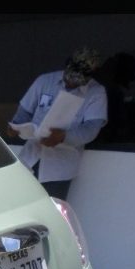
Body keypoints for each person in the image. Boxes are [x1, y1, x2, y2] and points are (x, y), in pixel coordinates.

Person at [8, 48, 108, 201]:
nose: (72, 83)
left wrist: (63, 137)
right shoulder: (44, 81)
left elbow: (91, 129)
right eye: (69, 79)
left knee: (51, 213)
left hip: (58, 169)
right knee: (17, 204)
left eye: (78, 81)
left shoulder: (96, 92)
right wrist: (15, 127)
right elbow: (24, 112)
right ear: (67, 65)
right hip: (29, 159)